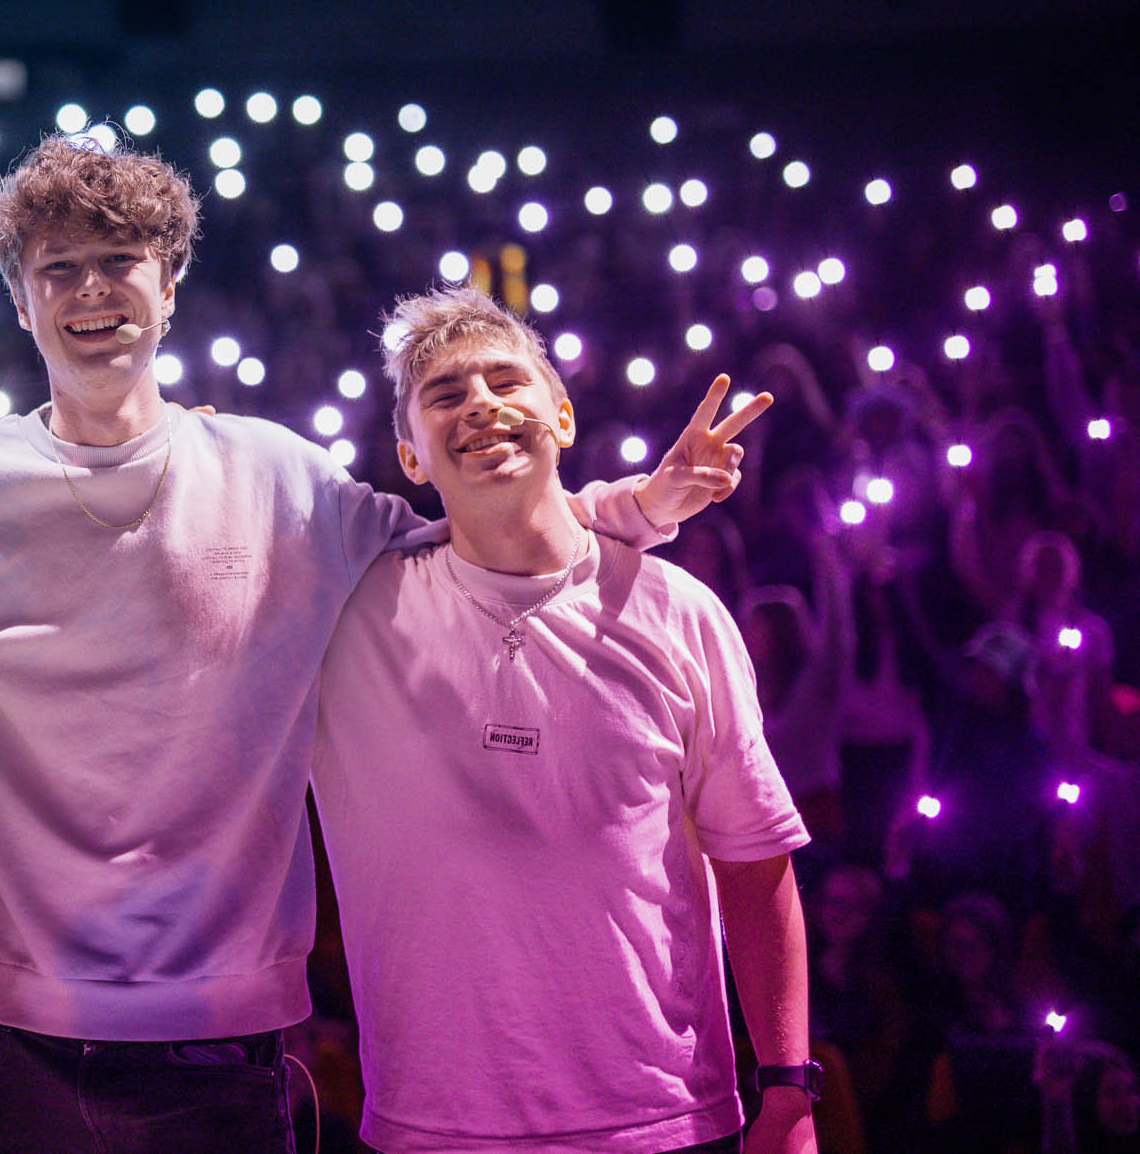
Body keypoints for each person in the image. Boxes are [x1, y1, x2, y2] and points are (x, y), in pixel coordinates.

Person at [0, 136, 761, 1152]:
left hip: (227, 1051)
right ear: (19, 299)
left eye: (118, 261)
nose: (91, 291)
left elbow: (476, 526)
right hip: (18, 1047)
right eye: (58, 268)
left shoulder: (282, 480)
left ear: (168, 283)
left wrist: (634, 507)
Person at [310, 283, 814, 1154]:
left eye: (506, 381)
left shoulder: (680, 612)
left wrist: (791, 1086)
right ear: (411, 458)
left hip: (662, 1118)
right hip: (438, 1129)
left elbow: (754, 855)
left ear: (564, 419)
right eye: (446, 394)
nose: (481, 404)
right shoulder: (348, 613)